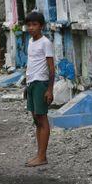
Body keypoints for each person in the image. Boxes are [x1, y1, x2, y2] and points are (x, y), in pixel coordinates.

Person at [24, 11, 55, 167]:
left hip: (41, 83)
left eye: (34, 25)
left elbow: (51, 69)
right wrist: (26, 83)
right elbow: (31, 63)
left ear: (41, 26)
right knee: (36, 119)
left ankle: (42, 156)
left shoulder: (45, 42)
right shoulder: (30, 41)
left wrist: (49, 90)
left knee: (42, 119)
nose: (31, 28)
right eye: (29, 25)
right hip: (31, 83)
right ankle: (39, 154)